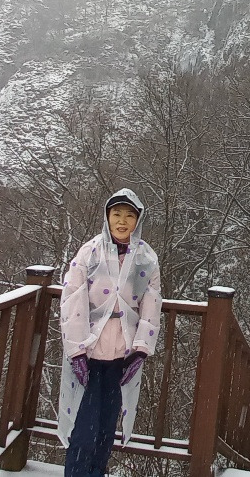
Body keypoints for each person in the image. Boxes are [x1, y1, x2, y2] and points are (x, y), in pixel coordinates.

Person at [57, 188, 163, 477]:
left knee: (106, 426)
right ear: (107, 216)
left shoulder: (145, 258)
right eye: (116, 214)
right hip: (89, 353)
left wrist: (141, 349)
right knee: (84, 427)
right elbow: (72, 298)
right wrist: (77, 351)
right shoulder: (90, 252)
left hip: (122, 355)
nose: (122, 221)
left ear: (138, 220)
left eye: (129, 215)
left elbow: (152, 302)